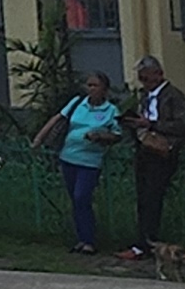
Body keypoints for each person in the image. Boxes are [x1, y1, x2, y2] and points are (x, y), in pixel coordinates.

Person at [36, 70, 123, 255]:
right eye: (89, 85)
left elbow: (117, 135)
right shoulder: (78, 103)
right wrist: (39, 139)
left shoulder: (111, 111)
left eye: (95, 86)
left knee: (81, 196)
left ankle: (89, 239)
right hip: (68, 157)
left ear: (104, 89)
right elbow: (58, 118)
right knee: (75, 200)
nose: (91, 89)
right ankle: (82, 238)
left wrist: (99, 136)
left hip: (90, 160)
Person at [126, 56, 185, 258]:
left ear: (159, 75)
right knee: (143, 197)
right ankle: (142, 241)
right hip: (145, 148)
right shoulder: (144, 96)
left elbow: (181, 125)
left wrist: (151, 124)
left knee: (153, 197)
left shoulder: (173, 96)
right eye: (142, 79)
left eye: (148, 79)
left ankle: (149, 242)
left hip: (163, 150)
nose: (145, 83)